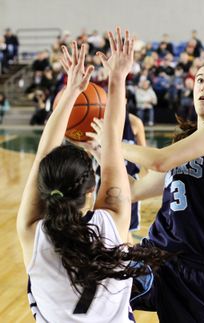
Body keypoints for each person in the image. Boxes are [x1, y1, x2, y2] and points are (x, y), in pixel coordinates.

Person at [89, 60, 204, 322]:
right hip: (158, 259)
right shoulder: (184, 146)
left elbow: (159, 161)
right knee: (95, 284)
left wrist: (111, 143)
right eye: (200, 80)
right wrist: (101, 155)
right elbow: (133, 191)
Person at [17, 29, 165, 322]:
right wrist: (117, 79)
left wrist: (69, 91)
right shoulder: (112, 222)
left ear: (44, 187)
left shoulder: (33, 236)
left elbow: (43, 156)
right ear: (91, 189)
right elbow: (111, 145)